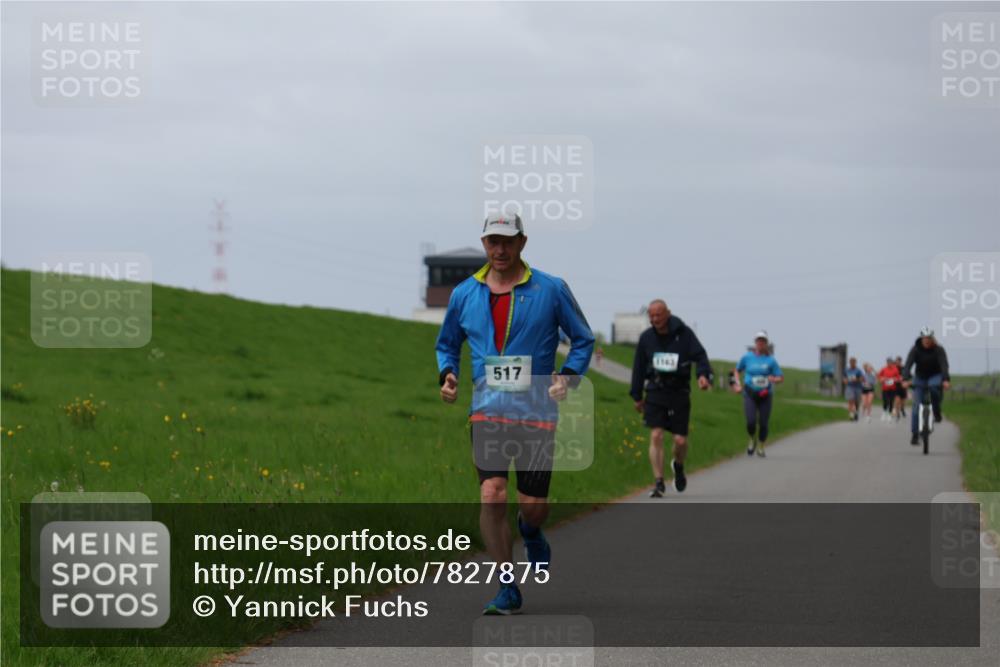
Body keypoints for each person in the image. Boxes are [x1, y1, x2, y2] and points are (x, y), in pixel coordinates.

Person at [436, 211, 594, 615]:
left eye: (507, 241)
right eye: (492, 241)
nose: (500, 249)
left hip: (537, 412)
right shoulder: (464, 294)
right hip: (487, 412)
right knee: (491, 494)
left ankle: (531, 530)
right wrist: (448, 373)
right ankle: (507, 585)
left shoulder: (551, 289)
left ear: (522, 242)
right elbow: (447, 343)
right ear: (484, 243)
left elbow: (583, 339)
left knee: (532, 506)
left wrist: (569, 377)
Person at [629, 300, 712, 498]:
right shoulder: (647, 338)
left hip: (679, 392)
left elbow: (700, 356)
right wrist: (637, 396)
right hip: (656, 391)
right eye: (652, 315)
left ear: (668, 313)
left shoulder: (684, 334)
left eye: (659, 314)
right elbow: (638, 368)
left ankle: (679, 465)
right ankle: (658, 482)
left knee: (680, 441)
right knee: (656, 435)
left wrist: (702, 375)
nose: (655, 319)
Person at [732, 331, 784, 457]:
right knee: (750, 421)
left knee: (763, 422)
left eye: (763, 341)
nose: (760, 343)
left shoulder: (771, 360)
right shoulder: (747, 357)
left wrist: (774, 379)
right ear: (755, 343)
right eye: (758, 341)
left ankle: (761, 445)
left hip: (765, 394)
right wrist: (737, 384)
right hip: (750, 392)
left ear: (766, 344)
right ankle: (751, 439)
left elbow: (780, 377)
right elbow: (736, 371)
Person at [901, 327, 950, 446]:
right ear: (921, 339)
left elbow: (944, 364)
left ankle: (937, 412)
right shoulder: (915, 349)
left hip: (935, 375)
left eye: (929, 338)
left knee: (934, 388)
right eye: (925, 338)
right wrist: (905, 379)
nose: (927, 341)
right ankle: (915, 434)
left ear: (932, 339)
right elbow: (908, 364)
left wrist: (945, 380)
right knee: (916, 406)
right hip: (920, 377)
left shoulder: (939, 350)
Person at [877, 356, 902, 422]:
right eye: (888, 362)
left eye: (890, 362)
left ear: (892, 363)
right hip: (885, 388)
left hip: (892, 388)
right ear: (886, 362)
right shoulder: (884, 369)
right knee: (885, 401)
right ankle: (884, 412)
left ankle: (889, 415)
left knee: (891, 401)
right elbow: (879, 376)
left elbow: (898, 378)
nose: (889, 363)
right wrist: (882, 379)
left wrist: (896, 379)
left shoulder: (895, 369)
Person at [844, 357, 864, 422]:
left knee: (856, 402)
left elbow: (862, 379)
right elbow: (844, 378)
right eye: (851, 362)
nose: (852, 364)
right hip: (850, 387)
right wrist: (845, 381)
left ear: (855, 363)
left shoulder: (858, 370)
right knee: (851, 401)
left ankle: (856, 413)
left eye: (853, 362)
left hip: (857, 387)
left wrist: (856, 379)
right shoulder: (847, 370)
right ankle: (851, 415)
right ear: (849, 363)